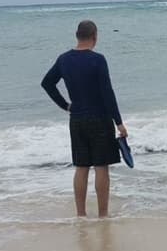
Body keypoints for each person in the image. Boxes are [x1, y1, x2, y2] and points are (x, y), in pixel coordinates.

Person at [41, 19, 128, 217]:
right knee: (101, 167)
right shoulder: (98, 60)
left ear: (77, 35)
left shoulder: (64, 59)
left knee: (81, 167)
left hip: (77, 119)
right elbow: (107, 92)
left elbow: (47, 83)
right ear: (95, 37)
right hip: (100, 119)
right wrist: (119, 122)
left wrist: (65, 105)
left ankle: (80, 215)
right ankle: (103, 215)